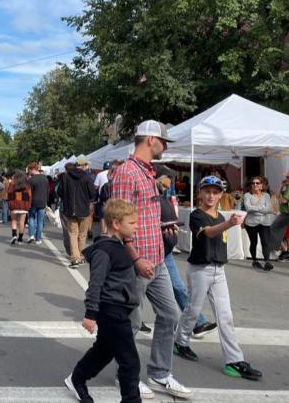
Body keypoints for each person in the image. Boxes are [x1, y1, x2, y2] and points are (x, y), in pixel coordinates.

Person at [110, 120, 191, 399]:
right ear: (150, 140)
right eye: (164, 141)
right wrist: (134, 258)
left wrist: (162, 225)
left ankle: (159, 373)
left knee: (171, 314)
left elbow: (143, 214)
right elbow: (118, 222)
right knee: (131, 322)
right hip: (137, 260)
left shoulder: (146, 172)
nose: (166, 146)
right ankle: (126, 377)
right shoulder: (127, 173)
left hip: (156, 258)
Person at [174, 176, 262, 381]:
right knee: (193, 310)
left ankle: (234, 360)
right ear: (200, 193)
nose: (211, 196)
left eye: (215, 192)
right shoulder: (197, 215)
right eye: (207, 191)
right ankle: (180, 341)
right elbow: (208, 234)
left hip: (218, 271)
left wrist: (228, 223)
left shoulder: (221, 216)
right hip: (199, 269)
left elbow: (219, 237)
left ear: (221, 195)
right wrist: (230, 224)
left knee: (225, 316)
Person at [65, 199, 142, 403]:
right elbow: (95, 285)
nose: (137, 226)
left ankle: (77, 378)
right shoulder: (104, 251)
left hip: (119, 310)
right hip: (112, 311)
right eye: (132, 223)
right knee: (130, 362)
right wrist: (91, 314)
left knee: (103, 352)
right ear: (116, 224)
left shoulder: (119, 246)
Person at [156, 176, 217, 346]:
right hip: (149, 251)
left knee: (176, 287)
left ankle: (198, 323)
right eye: (167, 178)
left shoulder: (165, 197)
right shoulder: (149, 198)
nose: (170, 181)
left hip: (164, 251)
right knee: (136, 292)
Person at [57, 160, 97, 269]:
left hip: (70, 210)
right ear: (82, 166)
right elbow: (93, 193)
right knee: (82, 234)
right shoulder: (86, 176)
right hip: (84, 209)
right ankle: (81, 256)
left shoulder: (65, 177)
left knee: (73, 234)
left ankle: (75, 258)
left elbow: (59, 192)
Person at [242, 176, 273, 271]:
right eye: (253, 183)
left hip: (265, 222)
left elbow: (268, 209)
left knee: (265, 242)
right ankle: (255, 260)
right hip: (251, 223)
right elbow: (248, 208)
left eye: (257, 183)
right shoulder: (247, 195)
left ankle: (267, 261)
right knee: (253, 242)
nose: (255, 185)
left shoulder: (266, 195)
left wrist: (255, 208)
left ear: (262, 185)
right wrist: (262, 208)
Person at [7, 171, 32, 245]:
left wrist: (10, 205)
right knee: (22, 222)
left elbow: (9, 195)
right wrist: (28, 206)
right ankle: (20, 239)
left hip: (14, 205)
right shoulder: (27, 186)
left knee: (14, 220)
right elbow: (29, 197)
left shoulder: (12, 185)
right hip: (23, 206)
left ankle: (14, 235)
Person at [27, 163, 49, 245]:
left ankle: (31, 235)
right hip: (43, 201)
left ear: (32, 169)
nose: (29, 172)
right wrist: (47, 201)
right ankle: (38, 239)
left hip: (33, 202)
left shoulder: (31, 180)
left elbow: (28, 193)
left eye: (29, 170)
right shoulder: (45, 178)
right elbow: (47, 191)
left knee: (31, 218)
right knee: (40, 221)